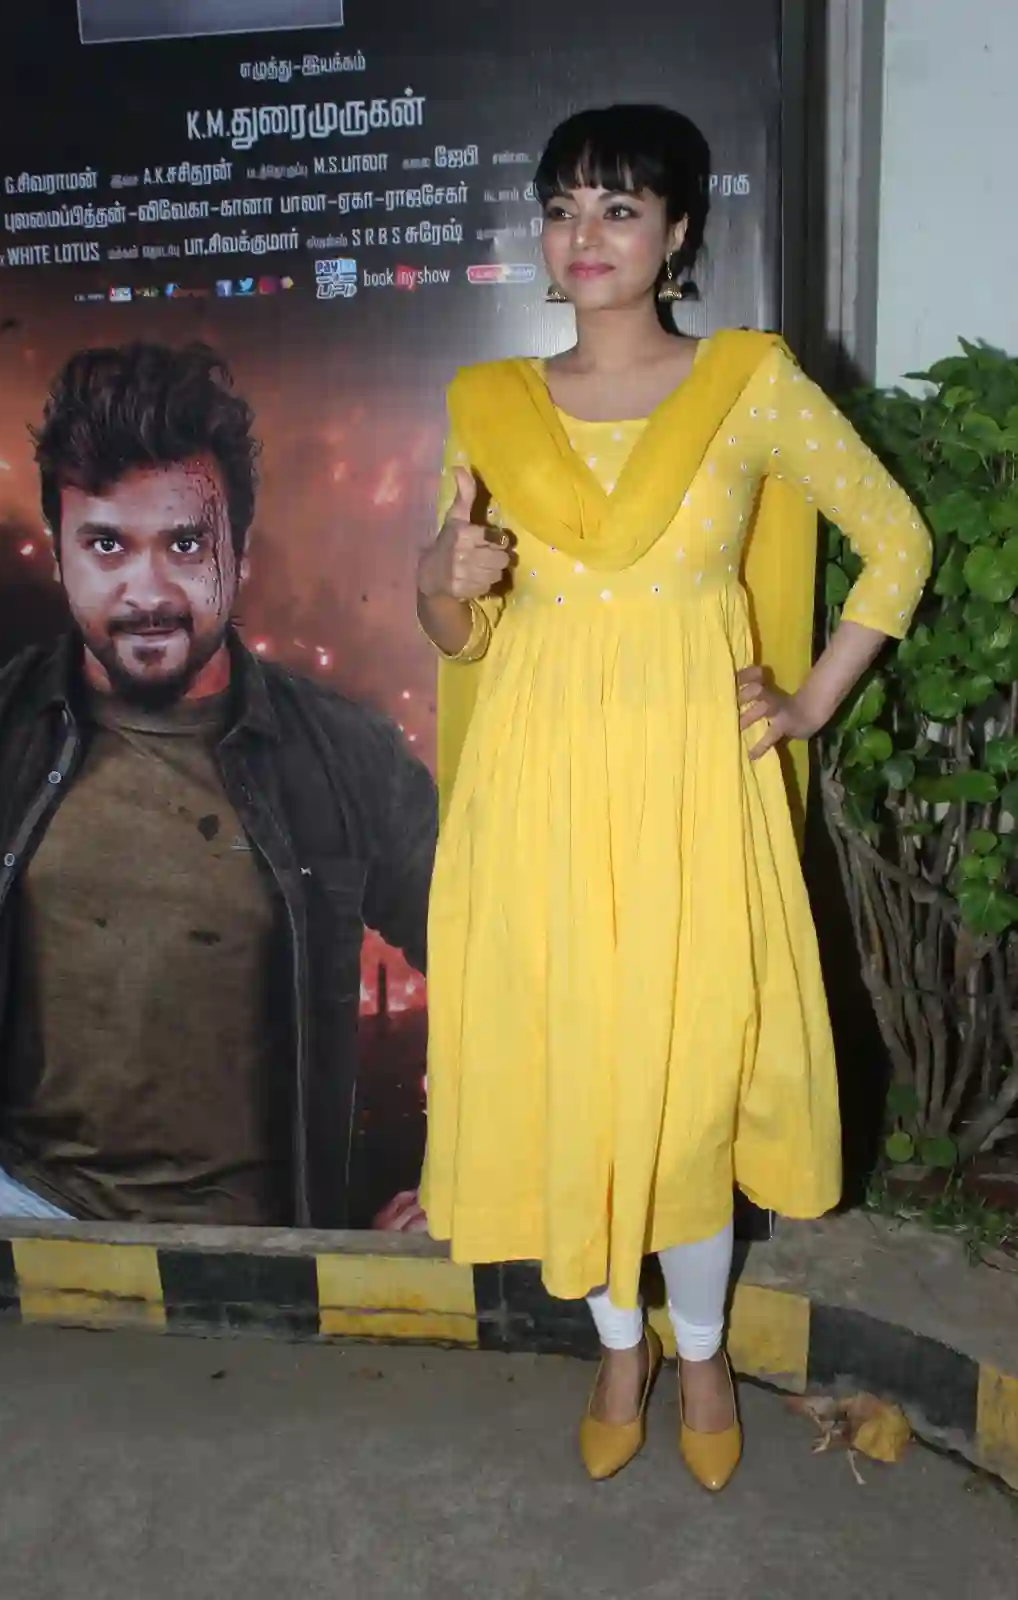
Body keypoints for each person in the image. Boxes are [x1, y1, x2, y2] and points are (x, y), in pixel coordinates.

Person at [414, 105, 931, 1490]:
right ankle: (614, 1346)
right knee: (581, 1079)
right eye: (562, 207)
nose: (584, 236)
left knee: (686, 1086)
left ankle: (696, 1351)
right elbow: (458, 627)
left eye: (619, 208)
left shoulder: (746, 383)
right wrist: (435, 586)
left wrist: (808, 701)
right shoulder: (489, 404)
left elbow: (894, 540)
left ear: (678, 231)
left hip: (692, 796)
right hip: (538, 794)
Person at [0, 341, 436, 1230]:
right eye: (106, 545)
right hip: (26, 1222)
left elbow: (505, 961)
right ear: (58, 556)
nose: (148, 592)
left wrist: (473, 1181)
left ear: (238, 553)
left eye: (184, 544)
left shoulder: (345, 755)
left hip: (263, 1254)